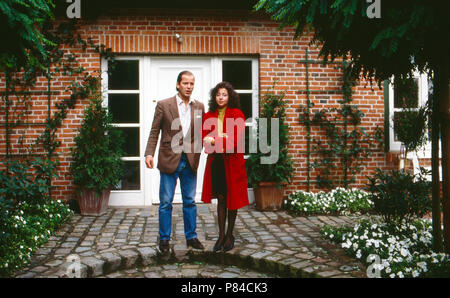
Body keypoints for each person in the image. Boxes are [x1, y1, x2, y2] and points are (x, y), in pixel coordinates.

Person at [144, 70, 205, 253]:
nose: (189, 87)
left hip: (190, 161)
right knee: (165, 202)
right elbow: (155, 130)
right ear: (178, 84)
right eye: (185, 83)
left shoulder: (199, 106)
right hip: (170, 159)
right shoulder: (164, 105)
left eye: (192, 83)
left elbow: (201, 132)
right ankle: (164, 239)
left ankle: (191, 237)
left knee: (189, 201)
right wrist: (149, 153)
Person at [201, 81, 249, 252]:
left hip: (233, 162)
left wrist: (214, 139)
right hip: (217, 162)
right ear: (214, 97)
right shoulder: (208, 116)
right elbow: (205, 143)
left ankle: (230, 235)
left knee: (232, 199)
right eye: (218, 94)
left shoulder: (237, 114)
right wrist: (218, 139)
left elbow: (234, 141)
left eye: (224, 94)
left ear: (230, 97)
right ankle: (221, 235)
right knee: (221, 197)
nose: (221, 97)